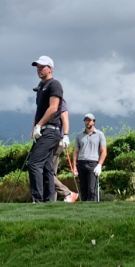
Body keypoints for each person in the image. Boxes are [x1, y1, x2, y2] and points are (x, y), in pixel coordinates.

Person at [28, 55, 65, 203]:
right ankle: (49, 201)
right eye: (37, 67)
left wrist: (39, 125)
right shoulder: (40, 87)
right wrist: (34, 128)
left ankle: (37, 200)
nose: (39, 70)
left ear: (50, 68)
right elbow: (39, 111)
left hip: (51, 131)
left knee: (34, 163)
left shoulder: (54, 85)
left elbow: (53, 108)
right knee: (46, 166)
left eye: (42, 67)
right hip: (43, 130)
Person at [72, 113, 107, 202]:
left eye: (89, 120)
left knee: (92, 189)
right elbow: (75, 152)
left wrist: (99, 165)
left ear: (94, 122)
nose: (87, 122)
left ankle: (92, 209)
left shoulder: (100, 134)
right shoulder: (79, 135)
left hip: (93, 163)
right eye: (86, 120)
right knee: (83, 189)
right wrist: (74, 167)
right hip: (81, 163)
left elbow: (104, 152)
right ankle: (84, 210)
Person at [50, 99, 79, 203]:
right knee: (51, 173)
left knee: (46, 170)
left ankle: (67, 193)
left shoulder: (58, 100)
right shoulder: (44, 101)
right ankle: (52, 201)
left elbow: (65, 117)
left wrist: (66, 135)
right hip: (52, 141)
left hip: (57, 141)